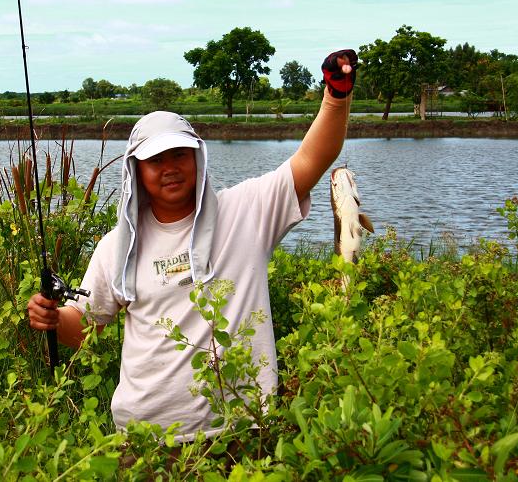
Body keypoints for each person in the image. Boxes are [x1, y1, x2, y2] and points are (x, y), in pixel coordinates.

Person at [27, 50, 358, 441]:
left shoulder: (247, 210)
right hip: (146, 439)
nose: (169, 167)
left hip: (242, 430)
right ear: (137, 171)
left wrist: (336, 96)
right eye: (155, 159)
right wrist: (51, 317)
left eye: (179, 153)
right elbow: (84, 329)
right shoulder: (117, 245)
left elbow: (312, 158)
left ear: (197, 156)